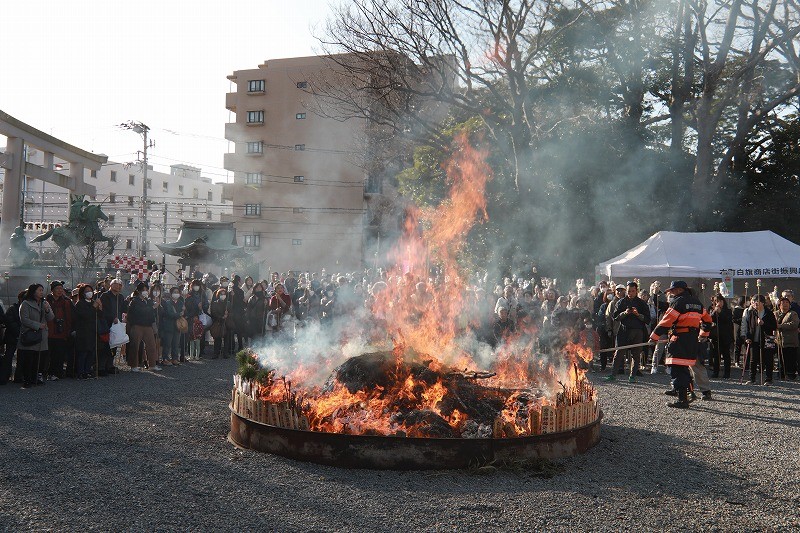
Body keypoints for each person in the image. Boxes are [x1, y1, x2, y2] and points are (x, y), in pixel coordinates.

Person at [650, 280, 713, 408]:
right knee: (684, 367)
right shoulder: (698, 303)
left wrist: (654, 337)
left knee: (676, 367)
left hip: (679, 338)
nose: (671, 293)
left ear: (679, 290)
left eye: (672, 291)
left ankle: (682, 399)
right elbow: (708, 320)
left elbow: (666, 321)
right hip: (692, 339)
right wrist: (703, 335)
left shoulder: (678, 302)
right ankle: (682, 393)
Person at [607, 281, 650, 382]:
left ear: (636, 291)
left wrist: (638, 314)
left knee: (636, 355)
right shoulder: (621, 302)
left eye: (633, 291)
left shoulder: (642, 303)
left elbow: (647, 319)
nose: (630, 293)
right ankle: (613, 375)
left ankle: (632, 376)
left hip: (637, 331)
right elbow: (615, 317)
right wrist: (625, 313)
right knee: (618, 353)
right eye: (629, 291)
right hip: (624, 330)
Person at [17, 284, 55, 388]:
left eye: (42, 290)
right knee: (29, 358)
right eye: (39, 290)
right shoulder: (25, 303)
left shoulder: (45, 303)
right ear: (33, 292)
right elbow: (24, 319)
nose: (41, 292)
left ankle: (36, 378)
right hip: (30, 334)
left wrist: (47, 309)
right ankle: (27, 379)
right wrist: (38, 325)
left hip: (41, 335)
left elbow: (51, 317)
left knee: (39, 358)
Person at [741, 294, 778, 385]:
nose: (754, 304)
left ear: (762, 303)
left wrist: (763, 323)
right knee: (753, 359)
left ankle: (768, 379)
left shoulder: (768, 313)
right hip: (754, 339)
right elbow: (749, 327)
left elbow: (774, 326)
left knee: (768, 359)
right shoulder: (751, 312)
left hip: (766, 339)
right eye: (753, 302)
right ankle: (752, 378)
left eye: (756, 302)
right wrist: (747, 337)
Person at [126, 283, 160, 372]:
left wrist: (156, 305)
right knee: (135, 346)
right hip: (137, 325)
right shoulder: (134, 301)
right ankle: (134, 365)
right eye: (143, 290)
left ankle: (152, 364)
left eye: (146, 289)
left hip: (148, 325)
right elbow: (140, 311)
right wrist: (152, 307)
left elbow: (152, 313)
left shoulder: (148, 301)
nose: (145, 292)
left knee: (152, 345)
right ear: (139, 291)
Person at [45, 280, 74, 380]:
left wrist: (69, 329)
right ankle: (48, 373)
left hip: (62, 332)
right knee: (49, 355)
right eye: (57, 289)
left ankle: (58, 372)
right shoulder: (46, 301)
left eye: (61, 289)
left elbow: (71, 317)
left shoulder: (66, 301)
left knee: (60, 354)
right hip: (49, 331)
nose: (59, 291)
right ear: (52, 290)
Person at [99, 278, 127, 376]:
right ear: (110, 285)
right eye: (116, 284)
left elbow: (123, 309)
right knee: (105, 345)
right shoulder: (105, 295)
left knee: (115, 345)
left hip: (117, 323)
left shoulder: (121, 297)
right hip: (106, 323)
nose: (118, 286)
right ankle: (101, 367)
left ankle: (110, 365)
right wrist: (112, 318)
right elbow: (103, 310)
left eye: (120, 284)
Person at [73, 284, 102, 379]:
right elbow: (86, 315)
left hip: (92, 331)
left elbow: (100, 316)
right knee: (83, 352)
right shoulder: (80, 304)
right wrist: (94, 307)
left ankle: (88, 370)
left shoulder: (93, 302)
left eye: (90, 290)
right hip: (83, 331)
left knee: (91, 352)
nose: (89, 293)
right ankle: (81, 371)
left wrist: (100, 307)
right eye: (86, 291)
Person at [709, 293, 734, 378]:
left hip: (725, 335)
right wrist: (714, 311)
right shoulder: (712, 310)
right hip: (716, 335)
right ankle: (716, 372)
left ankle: (727, 373)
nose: (718, 303)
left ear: (723, 301)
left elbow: (727, 320)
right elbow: (710, 319)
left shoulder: (728, 311)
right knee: (716, 355)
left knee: (726, 355)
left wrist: (720, 312)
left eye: (719, 301)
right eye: (716, 301)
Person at [0, 291, 22, 385]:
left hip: (22, 336)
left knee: (21, 357)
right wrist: (18, 332)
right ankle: (4, 377)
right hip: (12, 336)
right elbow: (8, 321)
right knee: (8, 357)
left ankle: (18, 376)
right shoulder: (13, 309)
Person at [774, 296, 798, 380]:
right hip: (779, 340)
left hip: (790, 340)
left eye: (787, 303)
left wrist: (780, 326)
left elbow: (794, 324)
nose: (785, 305)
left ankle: (791, 374)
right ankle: (781, 374)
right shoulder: (775, 313)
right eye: (783, 303)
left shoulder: (793, 314)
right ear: (779, 305)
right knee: (780, 358)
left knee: (790, 358)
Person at [160, 287, 184, 366]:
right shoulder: (168, 303)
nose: (176, 294)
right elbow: (169, 314)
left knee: (176, 344)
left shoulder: (181, 302)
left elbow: (183, 312)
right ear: (171, 294)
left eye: (177, 292)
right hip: (169, 325)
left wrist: (183, 311)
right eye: (174, 292)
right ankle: (165, 358)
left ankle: (175, 358)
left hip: (178, 326)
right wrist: (179, 314)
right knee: (167, 344)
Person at [210, 287, 233, 358]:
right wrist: (221, 317)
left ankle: (225, 353)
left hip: (226, 323)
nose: (223, 296)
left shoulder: (228, 304)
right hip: (218, 322)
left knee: (227, 338)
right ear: (218, 295)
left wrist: (228, 314)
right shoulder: (215, 303)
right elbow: (213, 313)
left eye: (224, 294)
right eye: (221, 294)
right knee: (217, 338)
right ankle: (216, 353)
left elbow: (232, 313)